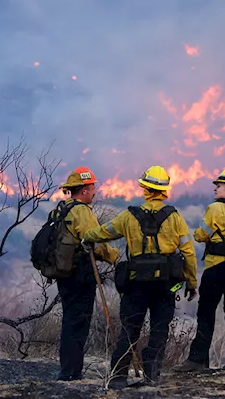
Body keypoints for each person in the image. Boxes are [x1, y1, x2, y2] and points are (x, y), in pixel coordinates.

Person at [82, 166, 198, 387]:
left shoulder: (128, 216)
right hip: (166, 286)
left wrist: (87, 237)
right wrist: (191, 282)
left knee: (129, 329)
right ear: (163, 191)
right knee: (159, 330)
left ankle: (117, 377)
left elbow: (104, 232)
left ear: (145, 188)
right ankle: (151, 375)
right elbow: (189, 253)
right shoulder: (175, 218)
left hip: (135, 284)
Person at [173, 169, 225, 373]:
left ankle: (197, 361)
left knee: (206, 313)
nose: (215, 188)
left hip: (216, 267)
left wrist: (200, 232)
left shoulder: (215, 208)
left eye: (219, 185)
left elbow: (201, 235)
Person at [48, 166, 119, 381]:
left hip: (64, 273)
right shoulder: (82, 212)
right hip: (80, 273)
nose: (95, 191)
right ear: (85, 189)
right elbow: (94, 241)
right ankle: (71, 373)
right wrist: (114, 256)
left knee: (70, 318)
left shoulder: (60, 210)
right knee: (78, 322)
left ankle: (69, 369)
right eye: (92, 187)